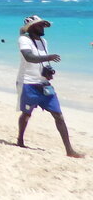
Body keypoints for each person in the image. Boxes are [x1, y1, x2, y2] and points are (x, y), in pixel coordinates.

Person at [16, 15, 83, 158]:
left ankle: (69, 150)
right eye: (39, 25)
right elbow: (29, 57)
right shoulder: (24, 40)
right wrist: (49, 57)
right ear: (32, 28)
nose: (42, 28)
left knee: (58, 115)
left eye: (42, 25)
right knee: (26, 114)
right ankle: (20, 139)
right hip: (28, 83)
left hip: (44, 84)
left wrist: (48, 70)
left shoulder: (43, 41)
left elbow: (41, 59)